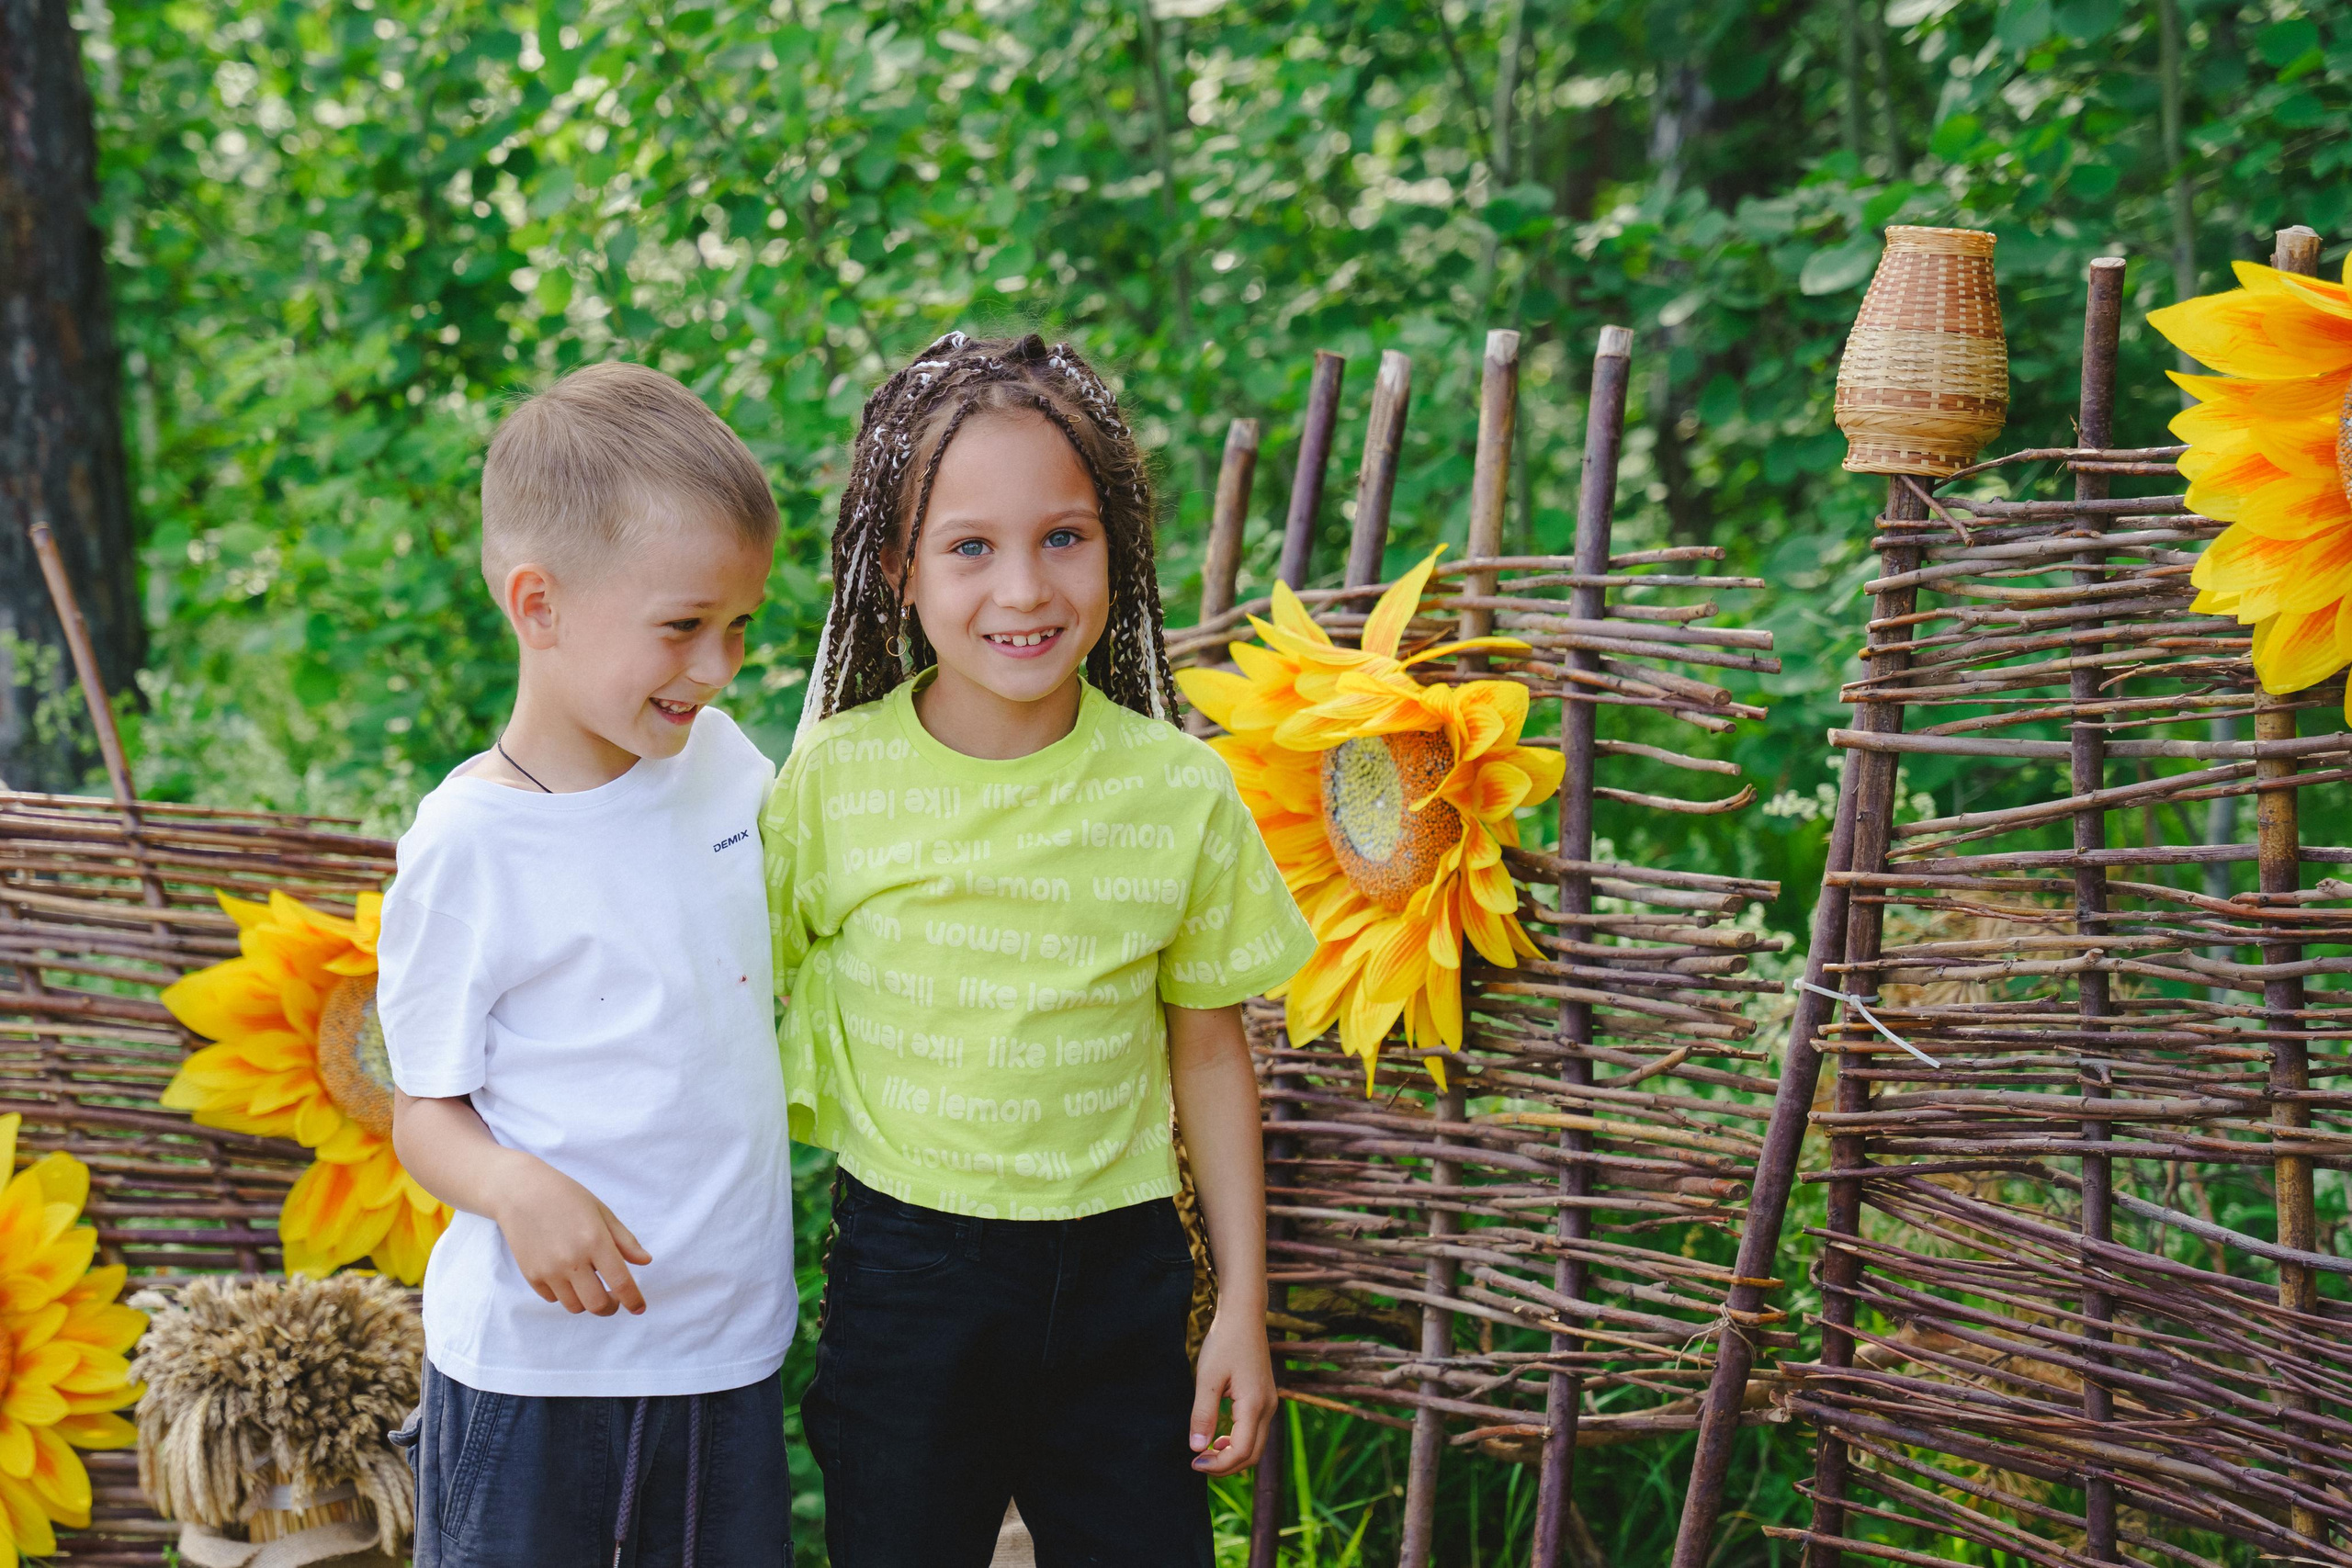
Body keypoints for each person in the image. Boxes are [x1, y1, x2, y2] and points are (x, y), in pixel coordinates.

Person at [765, 331, 1316, 1567]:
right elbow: (743, 1006)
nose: (1024, 590)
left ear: (1116, 547)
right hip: (908, 1275)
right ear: (899, 569)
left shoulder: (1178, 790)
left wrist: (1241, 1308)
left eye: (1064, 537)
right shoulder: (831, 784)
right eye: (971, 547)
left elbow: (1212, 1057)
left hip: (1124, 1280)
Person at [379, 362, 797, 1568]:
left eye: (738, 629)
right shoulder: (468, 844)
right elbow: (423, 1114)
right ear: (539, 604)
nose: (716, 670)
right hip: (534, 1371)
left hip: (722, 1350)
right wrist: (514, 1190)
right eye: (681, 627)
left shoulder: (724, 770)